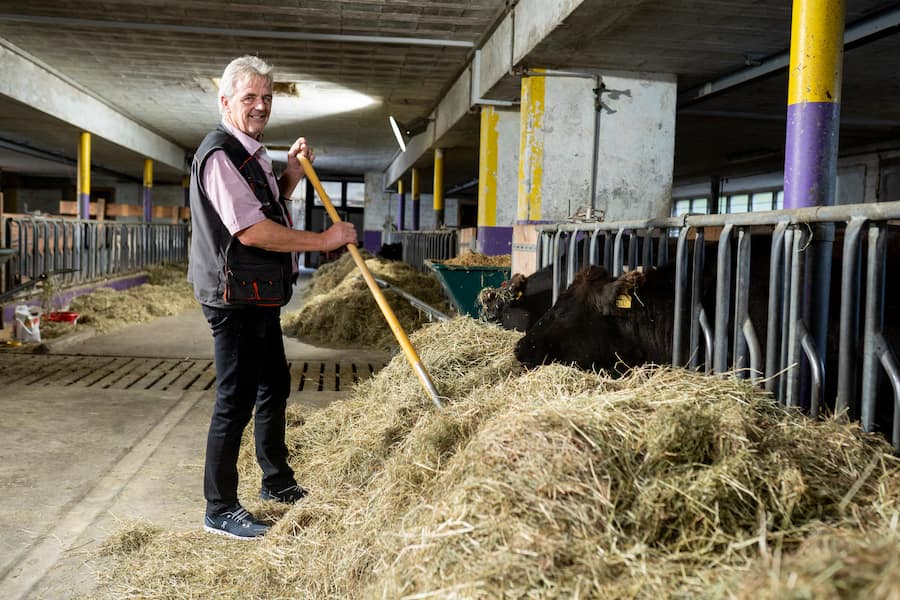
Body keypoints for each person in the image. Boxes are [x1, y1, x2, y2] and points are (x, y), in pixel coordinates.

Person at [188, 55, 356, 540]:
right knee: (235, 399)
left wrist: (292, 174)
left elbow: (267, 205)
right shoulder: (220, 155)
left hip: (257, 293)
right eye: (250, 97)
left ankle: (276, 482)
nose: (261, 106)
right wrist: (323, 241)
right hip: (233, 296)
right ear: (225, 101)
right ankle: (219, 508)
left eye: (266, 97)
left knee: (273, 385)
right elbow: (253, 231)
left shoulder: (251, 151)